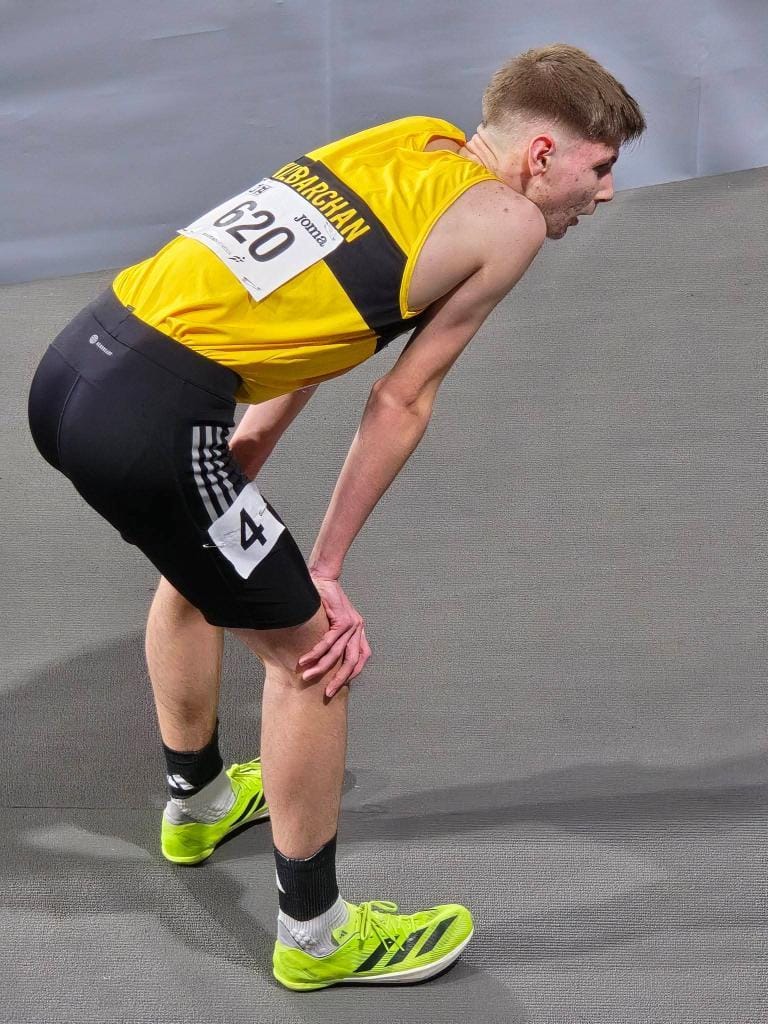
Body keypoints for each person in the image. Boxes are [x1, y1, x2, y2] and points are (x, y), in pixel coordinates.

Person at [27, 43, 646, 991]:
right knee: (314, 657)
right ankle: (316, 935)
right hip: (150, 414)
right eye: (600, 170)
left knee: (202, 568)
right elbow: (402, 400)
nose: (602, 195)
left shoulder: (413, 143)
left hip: (79, 360)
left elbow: (317, 319)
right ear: (542, 155)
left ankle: (196, 805)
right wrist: (326, 568)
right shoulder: (508, 221)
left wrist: (244, 465)